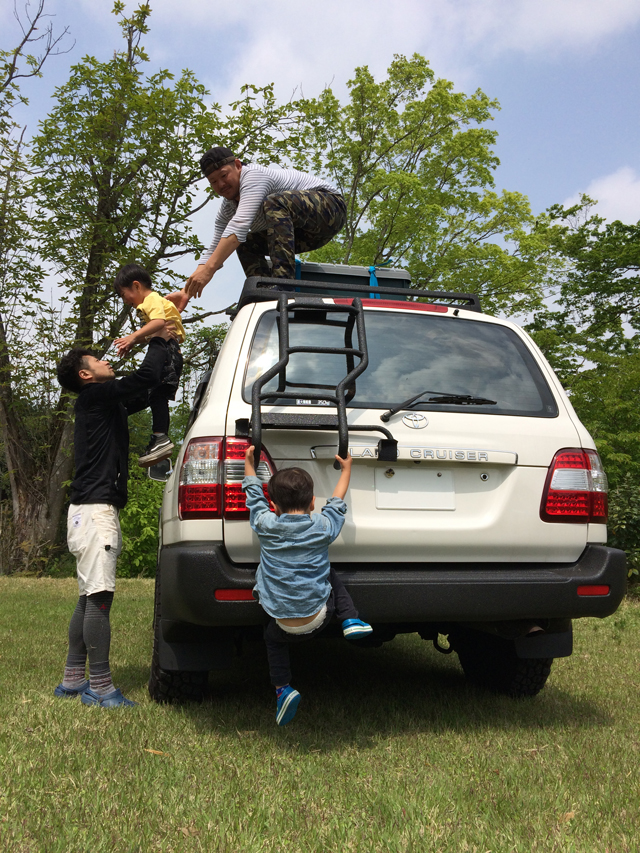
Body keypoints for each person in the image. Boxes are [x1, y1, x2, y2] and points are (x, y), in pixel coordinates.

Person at [54, 331, 173, 708]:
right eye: (97, 361)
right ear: (85, 375)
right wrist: (158, 334)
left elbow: (144, 392)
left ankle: (73, 680)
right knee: (100, 599)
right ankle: (100, 687)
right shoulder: (96, 396)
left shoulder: (99, 403)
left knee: (88, 597)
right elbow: (145, 377)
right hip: (95, 511)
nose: (106, 362)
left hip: (83, 512)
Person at [243, 447, 372, 726]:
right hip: (320, 617)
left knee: (272, 641)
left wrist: (249, 465)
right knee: (329, 573)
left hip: (281, 621)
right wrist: (346, 469)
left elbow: (253, 497)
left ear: (273, 506)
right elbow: (337, 501)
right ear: (313, 503)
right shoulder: (323, 527)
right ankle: (350, 618)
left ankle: (282, 689)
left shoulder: (265, 524)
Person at [184, 147, 347, 298]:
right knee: (243, 243)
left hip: (331, 208)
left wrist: (209, 271)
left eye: (224, 175)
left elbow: (239, 225)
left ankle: (284, 284)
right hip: (306, 235)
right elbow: (215, 246)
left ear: (237, 165)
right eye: (213, 182)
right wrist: (187, 292)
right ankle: (264, 291)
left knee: (274, 202)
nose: (221, 184)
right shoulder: (227, 209)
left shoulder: (254, 176)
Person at [113, 263, 189, 467]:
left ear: (136, 286)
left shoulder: (151, 300)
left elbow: (158, 324)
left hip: (168, 352)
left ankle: (160, 437)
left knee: (158, 394)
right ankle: (159, 436)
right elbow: (154, 331)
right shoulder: (152, 302)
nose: (124, 300)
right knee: (155, 394)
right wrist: (133, 341)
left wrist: (132, 337)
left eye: (123, 294)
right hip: (169, 351)